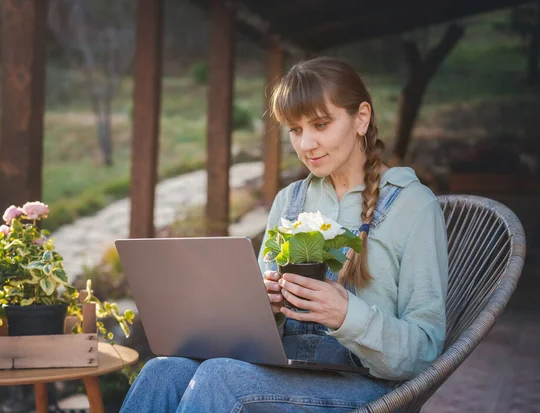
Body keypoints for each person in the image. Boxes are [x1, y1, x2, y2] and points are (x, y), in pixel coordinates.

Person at [120, 57, 448, 412]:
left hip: (368, 387)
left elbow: (425, 350)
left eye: (321, 124)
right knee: (161, 372)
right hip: (287, 372)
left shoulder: (412, 206)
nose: (306, 144)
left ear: (361, 118)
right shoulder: (290, 201)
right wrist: (266, 306)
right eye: (294, 129)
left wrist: (346, 315)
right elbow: (258, 333)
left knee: (220, 379)